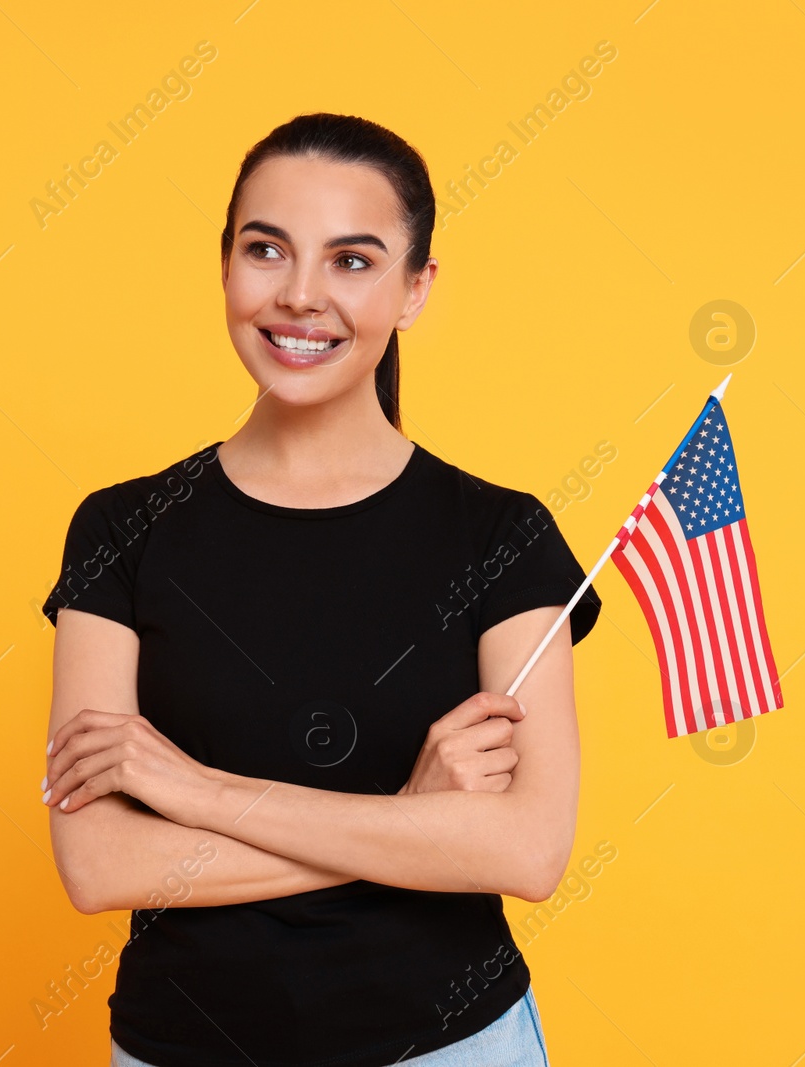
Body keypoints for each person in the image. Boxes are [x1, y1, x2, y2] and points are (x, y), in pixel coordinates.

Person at [38, 112, 600, 1067]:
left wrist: (195, 790)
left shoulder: (502, 536)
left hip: (449, 1048)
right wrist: (414, 821)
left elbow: (527, 852)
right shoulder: (120, 530)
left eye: (352, 261)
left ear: (416, 289)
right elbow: (97, 866)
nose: (300, 296)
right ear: (225, 264)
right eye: (267, 250)